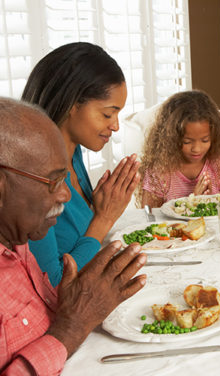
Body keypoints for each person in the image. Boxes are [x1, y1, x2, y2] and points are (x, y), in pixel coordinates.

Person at [0, 97, 146, 375]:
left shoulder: (18, 244)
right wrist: (73, 327)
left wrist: (81, 303)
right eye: (53, 181)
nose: (65, 194)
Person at [21, 42, 140, 287]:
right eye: (107, 114)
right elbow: (53, 286)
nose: (115, 125)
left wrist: (99, 210)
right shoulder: (33, 179)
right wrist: (104, 218)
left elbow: (82, 241)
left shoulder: (73, 153)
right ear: (71, 104)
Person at [138, 90, 220, 208]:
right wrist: (192, 201)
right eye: (187, 142)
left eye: (205, 140)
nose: (197, 149)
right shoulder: (160, 171)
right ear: (171, 139)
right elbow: (148, 217)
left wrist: (210, 201)